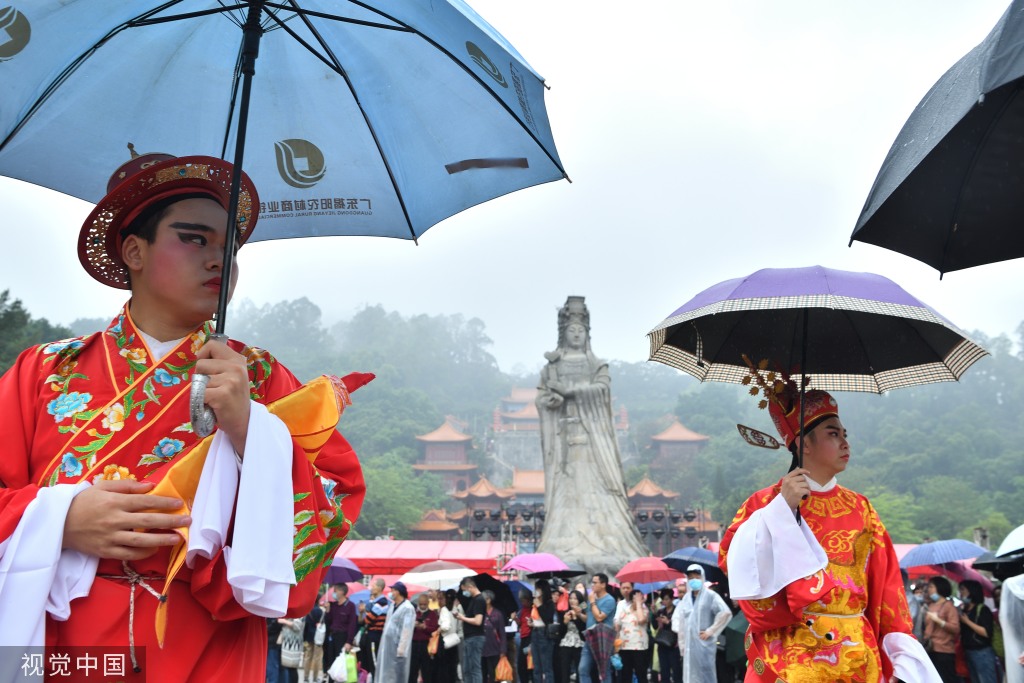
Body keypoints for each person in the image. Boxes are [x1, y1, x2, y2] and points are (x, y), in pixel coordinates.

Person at [0, 151, 366, 681]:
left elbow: (333, 501)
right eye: (195, 238)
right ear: (134, 251)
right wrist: (60, 521)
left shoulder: (259, 378)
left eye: (230, 247)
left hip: (208, 644)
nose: (219, 259)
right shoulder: (44, 373)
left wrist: (249, 431)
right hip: (63, 639)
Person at [719, 379, 940, 683]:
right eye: (833, 434)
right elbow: (732, 561)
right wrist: (781, 512)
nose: (845, 444)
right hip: (788, 651)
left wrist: (899, 653)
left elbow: (886, 586)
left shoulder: (861, 508)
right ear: (803, 444)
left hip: (855, 654)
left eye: (844, 435)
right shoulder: (765, 503)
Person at [534, 296, 646, 573]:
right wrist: (551, 401)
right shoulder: (552, 367)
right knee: (567, 490)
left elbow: (602, 391)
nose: (575, 334)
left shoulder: (597, 365)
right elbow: (542, 396)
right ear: (563, 333)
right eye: (571, 330)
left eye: (580, 330)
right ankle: (564, 542)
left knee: (598, 490)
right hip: (565, 441)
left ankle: (607, 542)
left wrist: (571, 392)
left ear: (587, 333)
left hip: (592, 437)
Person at [672, 565, 729, 683]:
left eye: (697, 576)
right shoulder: (686, 598)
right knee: (690, 676)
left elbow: (725, 613)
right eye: (691, 577)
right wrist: (682, 645)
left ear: (702, 577)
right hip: (689, 647)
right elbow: (681, 623)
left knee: (706, 675)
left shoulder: (710, 596)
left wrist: (711, 631)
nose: (694, 580)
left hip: (705, 645)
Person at [578, 573, 616, 683]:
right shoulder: (591, 599)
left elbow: (599, 617)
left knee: (604, 671)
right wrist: (579, 613)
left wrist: (592, 601)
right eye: (592, 582)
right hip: (589, 637)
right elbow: (587, 618)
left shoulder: (610, 600)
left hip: (603, 639)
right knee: (583, 668)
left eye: (595, 582)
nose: (592, 585)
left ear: (603, 584)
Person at [959, 579, 999, 683]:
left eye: (963, 590)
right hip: (968, 651)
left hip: (982, 652)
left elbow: (986, 632)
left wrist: (967, 622)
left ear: (972, 591)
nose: (961, 593)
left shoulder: (983, 609)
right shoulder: (964, 610)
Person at [923, 577, 960, 682]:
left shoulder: (949, 606)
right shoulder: (931, 605)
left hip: (944, 650)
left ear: (940, 587)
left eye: (931, 587)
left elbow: (955, 629)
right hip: (930, 648)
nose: (929, 589)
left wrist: (939, 621)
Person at [378, 582, 416, 683]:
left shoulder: (407, 608)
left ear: (398, 592)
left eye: (393, 590)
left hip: (398, 648)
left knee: (398, 675)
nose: (391, 593)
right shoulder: (392, 606)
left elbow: (406, 629)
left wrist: (401, 649)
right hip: (388, 646)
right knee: (388, 674)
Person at [613, 581, 649, 683]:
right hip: (625, 646)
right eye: (635, 598)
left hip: (639, 647)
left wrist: (639, 604)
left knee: (641, 673)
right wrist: (616, 645)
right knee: (626, 675)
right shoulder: (624, 609)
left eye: (639, 598)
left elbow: (641, 620)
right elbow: (617, 626)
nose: (636, 600)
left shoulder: (643, 609)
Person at [456, 576, 487, 683]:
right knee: (467, 669)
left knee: (474, 668)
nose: (464, 593)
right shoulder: (474, 600)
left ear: (470, 587)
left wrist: (462, 618)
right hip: (470, 638)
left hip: (475, 638)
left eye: (464, 590)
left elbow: (478, 621)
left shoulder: (479, 600)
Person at [359, 577, 391, 675]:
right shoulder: (374, 603)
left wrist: (365, 611)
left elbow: (368, 620)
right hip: (370, 636)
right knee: (369, 664)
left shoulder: (381, 602)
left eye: (374, 586)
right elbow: (362, 621)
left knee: (374, 663)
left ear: (380, 588)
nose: (371, 588)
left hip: (375, 636)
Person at [325, 583, 358, 674]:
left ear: (342, 592)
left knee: (341, 664)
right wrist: (327, 611)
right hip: (332, 636)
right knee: (331, 663)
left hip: (343, 637)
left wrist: (349, 641)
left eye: (335, 591)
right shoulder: (333, 605)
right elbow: (328, 622)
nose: (334, 593)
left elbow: (352, 625)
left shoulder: (350, 606)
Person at [557, 589, 587, 683]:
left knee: (579, 670)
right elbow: (561, 632)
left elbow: (583, 630)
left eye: (575, 598)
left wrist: (575, 618)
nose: (572, 600)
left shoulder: (584, 613)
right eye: (571, 598)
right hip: (566, 644)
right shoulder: (565, 612)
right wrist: (565, 622)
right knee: (564, 670)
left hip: (579, 644)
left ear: (580, 600)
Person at [410, 591, 439, 683]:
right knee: (413, 670)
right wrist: (413, 625)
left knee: (427, 670)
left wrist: (425, 627)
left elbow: (435, 629)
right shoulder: (414, 613)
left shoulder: (432, 614)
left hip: (426, 644)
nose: (422, 606)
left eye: (424, 604)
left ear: (428, 603)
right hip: (414, 644)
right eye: (421, 604)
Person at [531, 582, 558, 683]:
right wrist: (531, 622)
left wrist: (539, 606)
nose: (536, 591)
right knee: (536, 666)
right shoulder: (534, 602)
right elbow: (537, 619)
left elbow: (547, 619)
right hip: (535, 632)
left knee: (547, 666)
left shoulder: (549, 603)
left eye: (538, 589)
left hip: (544, 634)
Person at [653, 587, 681, 683]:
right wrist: (654, 614)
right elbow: (655, 626)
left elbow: (679, 627)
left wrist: (668, 622)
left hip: (674, 644)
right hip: (662, 644)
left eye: (666, 599)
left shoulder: (677, 611)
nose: (664, 601)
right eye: (663, 599)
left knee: (676, 670)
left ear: (672, 599)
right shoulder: (660, 611)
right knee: (664, 671)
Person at [481, 590, 506, 683]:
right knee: (483, 673)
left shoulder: (498, 614)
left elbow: (502, 633)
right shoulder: (480, 614)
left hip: (495, 649)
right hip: (482, 649)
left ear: (488, 600)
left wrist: (503, 650)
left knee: (494, 674)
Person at [303, 596, 326, 683]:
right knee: (317, 657)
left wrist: (305, 637)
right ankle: (315, 678)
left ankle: (306, 677)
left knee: (308, 657)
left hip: (309, 636)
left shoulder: (309, 610)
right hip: (318, 637)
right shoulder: (320, 611)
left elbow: (306, 625)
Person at [515, 589, 535, 683]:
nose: (522, 602)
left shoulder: (534, 609)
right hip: (523, 638)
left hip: (531, 638)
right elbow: (520, 623)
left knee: (531, 664)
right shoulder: (522, 610)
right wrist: (516, 620)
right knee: (521, 666)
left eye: (523, 600)